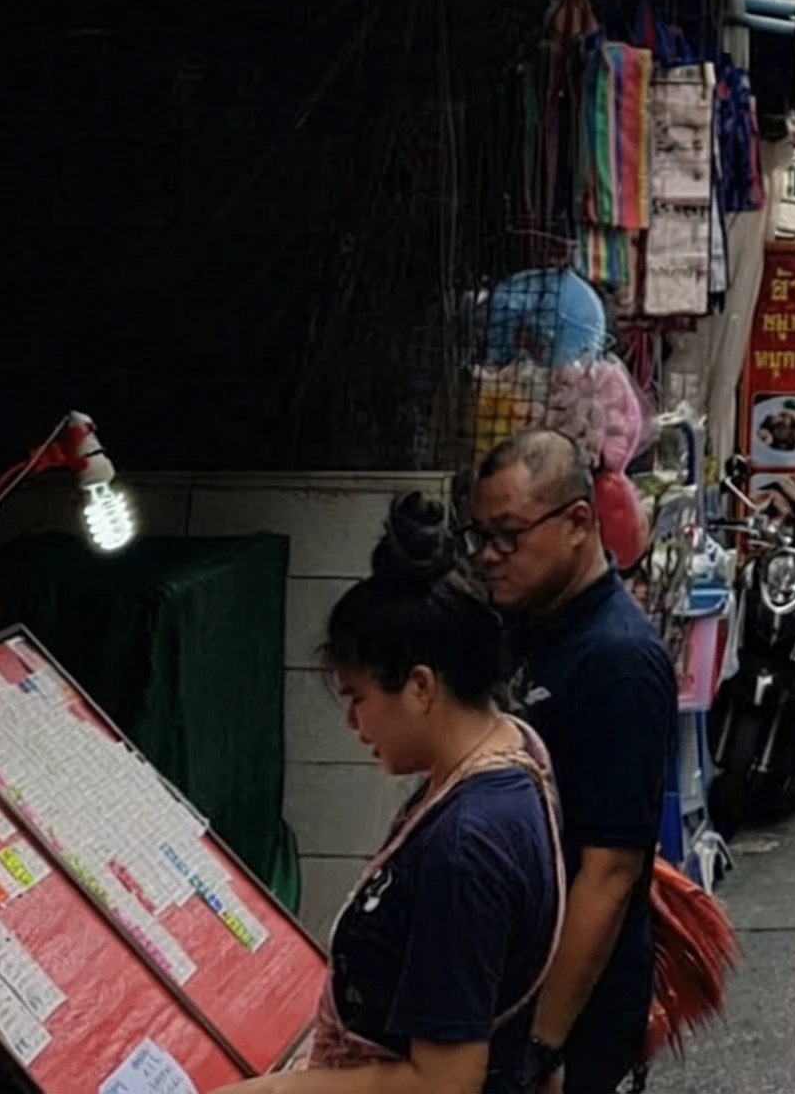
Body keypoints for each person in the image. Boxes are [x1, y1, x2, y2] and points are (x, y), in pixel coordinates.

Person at [244, 493, 560, 1094]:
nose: (353, 724)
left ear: (419, 687)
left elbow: (445, 1082)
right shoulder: (515, 750)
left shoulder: (467, 844)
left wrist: (276, 1090)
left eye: (358, 697)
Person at [468, 430, 676, 1094]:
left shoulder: (618, 664)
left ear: (579, 523)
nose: (490, 557)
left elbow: (610, 873)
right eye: (480, 537)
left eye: (509, 536)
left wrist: (542, 1046)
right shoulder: (528, 623)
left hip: (571, 1018)